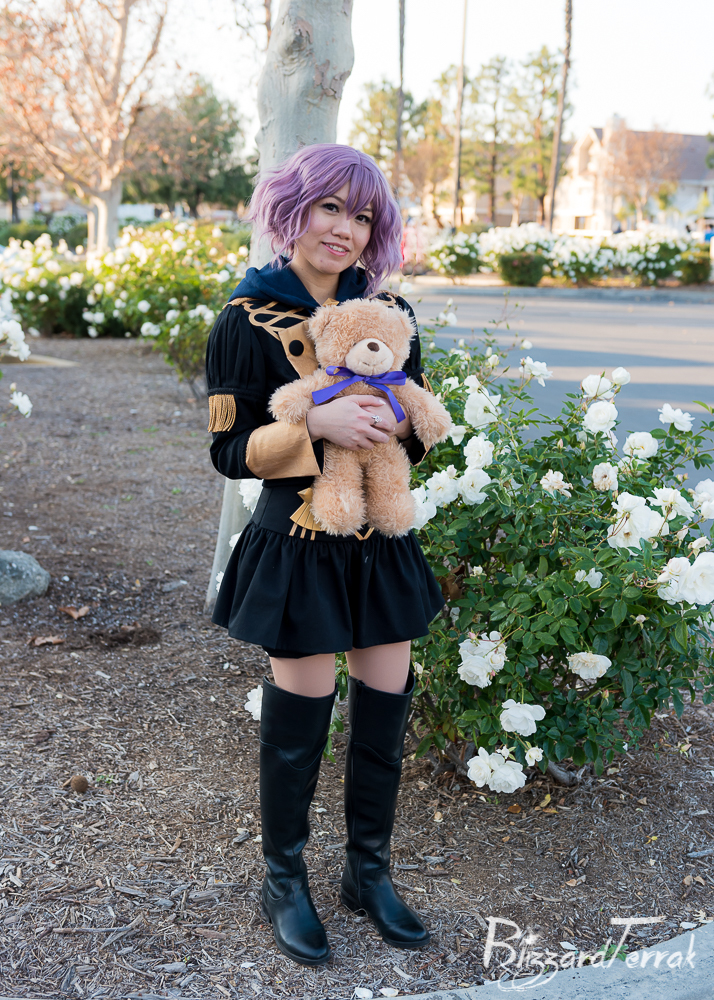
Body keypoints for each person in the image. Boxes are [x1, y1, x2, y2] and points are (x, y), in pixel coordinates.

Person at [205, 144, 444, 967]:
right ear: (293, 209)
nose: (345, 229)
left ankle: (367, 873)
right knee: (298, 724)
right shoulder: (244, 318)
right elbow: (228, 451)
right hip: (298, 545)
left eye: (363, 215)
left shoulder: (390, 310)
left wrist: (396, 424)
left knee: (384, 712)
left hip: (381, 544)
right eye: (329, 207)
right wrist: (314, 425)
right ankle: (285, 879)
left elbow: (421, 422)